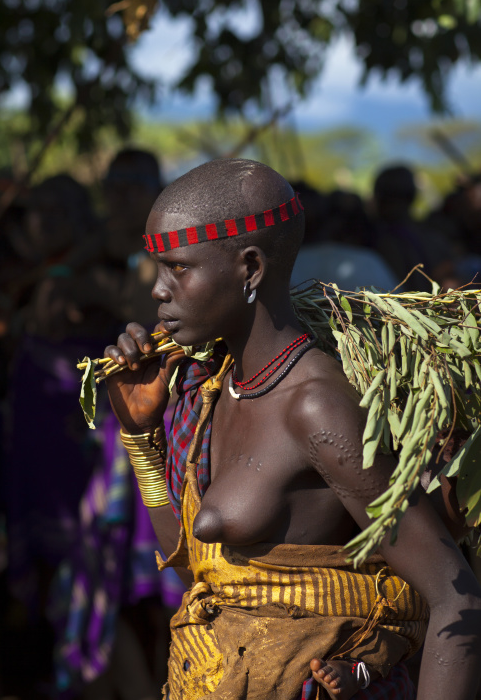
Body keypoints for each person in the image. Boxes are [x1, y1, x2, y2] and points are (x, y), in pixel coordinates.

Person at [103, 158, 481, 700]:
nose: (159, 290)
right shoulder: (210, 386)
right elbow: (200, 578)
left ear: (250, 269)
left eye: (178, 268)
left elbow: (455, 597)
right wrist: (140, 433)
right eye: (158, 269)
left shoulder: (315, 407)